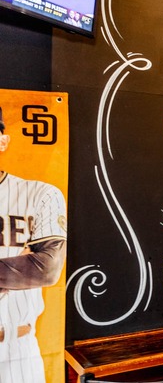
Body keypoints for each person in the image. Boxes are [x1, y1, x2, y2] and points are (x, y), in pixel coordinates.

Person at [0, 107, 67, 383]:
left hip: (15, 351)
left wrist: (34, 263)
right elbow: (31, 267)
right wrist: (17, 266)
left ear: (3, 141)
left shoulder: (40, 194)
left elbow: (47, 268)